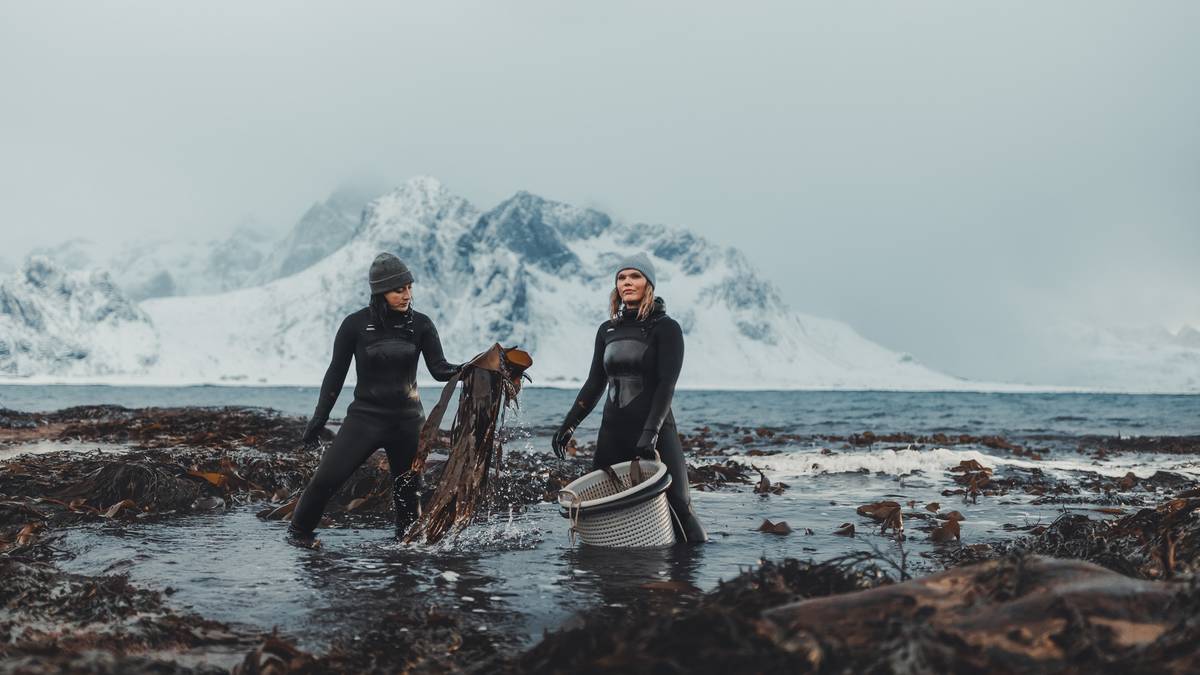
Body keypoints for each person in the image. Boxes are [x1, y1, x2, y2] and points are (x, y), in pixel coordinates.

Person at [289, 252, 460, 542]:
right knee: (324, 482)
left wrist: (474, 368)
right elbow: (335, 374)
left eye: (409, 287)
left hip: (408, 423)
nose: (407, 295)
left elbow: (441, 370)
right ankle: (298, 535)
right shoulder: (354, 325)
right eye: (399, 289)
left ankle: (405, 552)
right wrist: (318, 420)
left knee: (408, 495)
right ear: (380, 291)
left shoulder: (421, 325)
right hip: (365, 419)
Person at [552, 253, 707, 543]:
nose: (627, 282)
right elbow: (594, 383)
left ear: (649, 283)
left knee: (680, 507)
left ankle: (688, 577)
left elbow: (666, 385)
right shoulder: (607, 330)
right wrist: (568, 425)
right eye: (621, 278)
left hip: (654, 432)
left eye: (634, 276)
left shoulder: (666, 328)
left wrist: (651, 433)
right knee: (598, 508)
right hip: (612, 433)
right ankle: (609, 577)